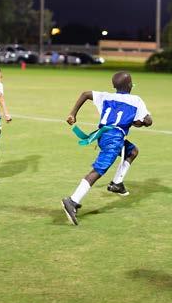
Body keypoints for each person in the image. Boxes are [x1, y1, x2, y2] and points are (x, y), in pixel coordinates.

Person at [61, 71, 152, 226]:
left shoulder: (106, 96)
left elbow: (85, 94)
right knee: (98, 170)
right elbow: (148, 121)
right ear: (130, 85)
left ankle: (117, 183)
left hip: (102, 135)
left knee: (132, 151)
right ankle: (72, 200)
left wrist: (73, 114)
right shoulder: (136, 100)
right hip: (114, 139)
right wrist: (141, 122)